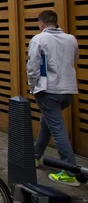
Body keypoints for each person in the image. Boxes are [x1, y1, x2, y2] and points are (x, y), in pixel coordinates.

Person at [27, 10, 79, 187]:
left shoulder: (39, 39)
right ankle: (35, 155)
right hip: (68, 91)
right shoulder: (71, 39)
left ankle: (70, 170)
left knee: (56, 128)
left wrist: (33, 86)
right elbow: (75, 59)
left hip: (48, 90)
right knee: (47, 122)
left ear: (41, 23)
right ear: (55, 22)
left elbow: (33, 66)